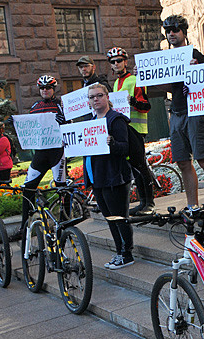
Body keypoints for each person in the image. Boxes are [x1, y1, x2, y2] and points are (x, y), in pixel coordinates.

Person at [161, 15, 204, 210]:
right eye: (168, 30)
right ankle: (192, 206)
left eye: (175, 29)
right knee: (182, 162)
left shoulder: (194, 54)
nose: (171, 33)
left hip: (196, 112)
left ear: (184, 32)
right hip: (177, 112)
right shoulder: (166, 58)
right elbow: (169, 87)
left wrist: (198, 70)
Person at [83, 83, 134, 269]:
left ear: (107, 97)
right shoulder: (90, 121)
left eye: (99, 95)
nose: (96, 99)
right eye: (92, 97)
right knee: (110, 218)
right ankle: (119, 251)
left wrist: (112, 143)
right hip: (98, 178)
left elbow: (125, 148)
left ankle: (127, 254)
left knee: (119, 217)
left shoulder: (116, 120)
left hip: (114, 178)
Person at [107, 47, 157, 215]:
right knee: (134, 167)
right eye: (113, 62)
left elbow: (146, 106)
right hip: (124, 131)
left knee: (141, 165)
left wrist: (134, 102)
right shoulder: (116, 83)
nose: (116, 64)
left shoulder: (135, 80)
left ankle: (149, 203)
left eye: (119, 60)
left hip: (136, 129)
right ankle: (142, 202)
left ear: (125, 62)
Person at [19, 75, 68, 230]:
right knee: (28, 188)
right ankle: (25, 226)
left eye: (48, 88)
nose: (45, 90)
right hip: (40, 154)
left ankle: (66, 220)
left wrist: (65, 121)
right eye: (42, 88)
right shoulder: (35, 106)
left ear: (53, 89)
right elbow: (29, 126)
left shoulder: (60, 105)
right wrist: (15, 123)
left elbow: (71, 125)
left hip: (57, 153)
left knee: (62, 188)